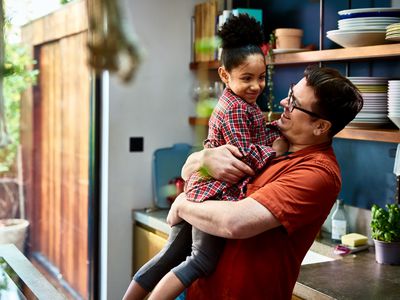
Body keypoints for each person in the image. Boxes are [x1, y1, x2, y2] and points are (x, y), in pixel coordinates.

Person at [123, 14, 287, 300]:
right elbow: (244, 155)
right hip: (214, 195)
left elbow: (254, 135)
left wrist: (276, 127)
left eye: (261, 78)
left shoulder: (242, 103)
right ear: (225, 75)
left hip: (203, 190)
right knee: (200, 261)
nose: (256, 86)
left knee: (169, 257)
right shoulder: (236, 108)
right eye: (246, 78)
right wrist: (276, 150)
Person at [165, 65, 363, 299]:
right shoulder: (269, 139)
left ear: (321, 126)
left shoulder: (317, 173)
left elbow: (234, 222)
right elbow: (189, 172)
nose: (282, 103)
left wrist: (182, 204)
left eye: (294, 103)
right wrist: (201, 158)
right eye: (290, 93)